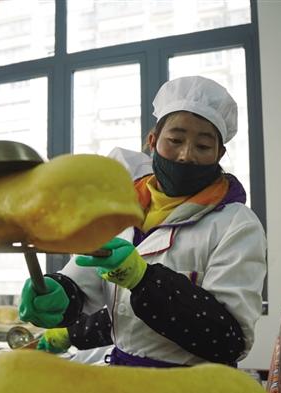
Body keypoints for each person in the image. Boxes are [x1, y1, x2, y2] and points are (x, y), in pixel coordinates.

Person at [19, 76, 266, 367]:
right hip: (123, 376)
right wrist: (59, 293)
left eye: (202, 146)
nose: (186, 155)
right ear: (152, 141)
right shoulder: (119, 211)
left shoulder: (236, 225)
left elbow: (229, 340)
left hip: (195, 385)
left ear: (219, 154)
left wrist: (144, 280)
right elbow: (82, 286)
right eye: (175, 140)